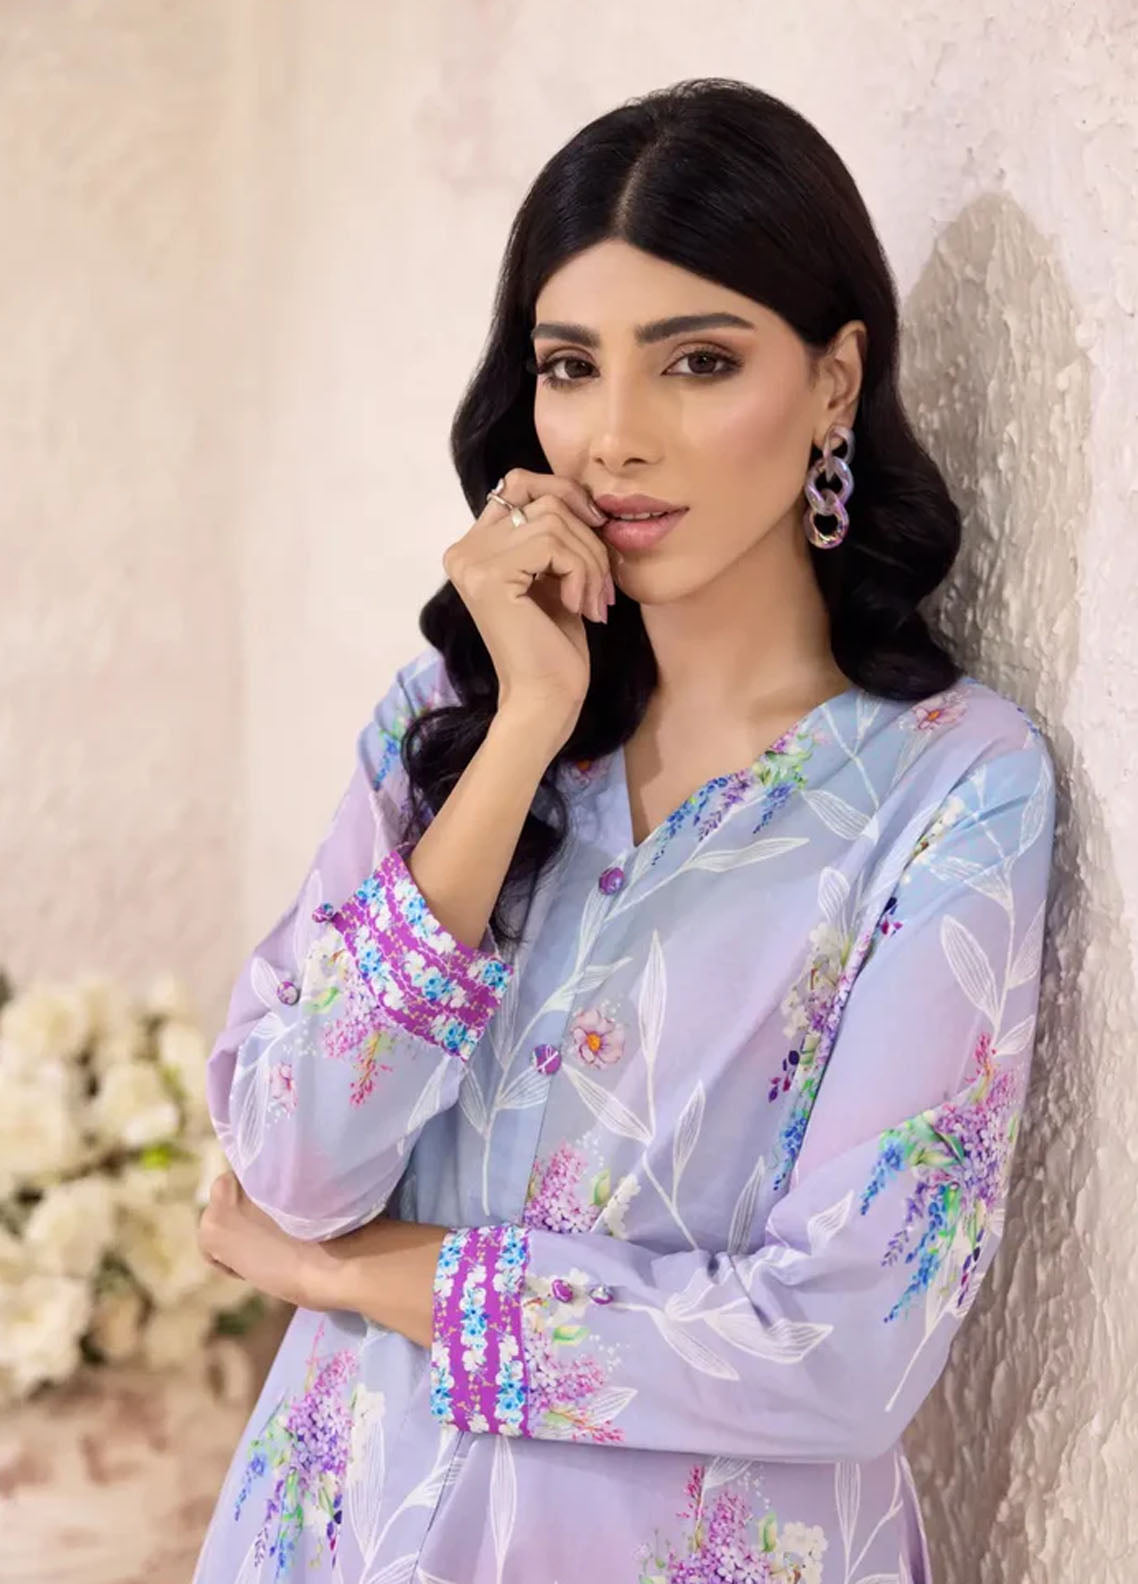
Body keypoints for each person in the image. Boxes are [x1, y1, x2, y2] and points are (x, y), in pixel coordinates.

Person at [192, 77, 1057, 1584]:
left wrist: (370, 1278)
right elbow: (287, 1165)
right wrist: (523, 728)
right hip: (338, 1529)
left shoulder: (952, 789)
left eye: (698, 363)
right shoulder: (450, 723)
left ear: (835, 383)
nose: (615, 438)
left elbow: (843, 1350)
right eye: (570, 368)